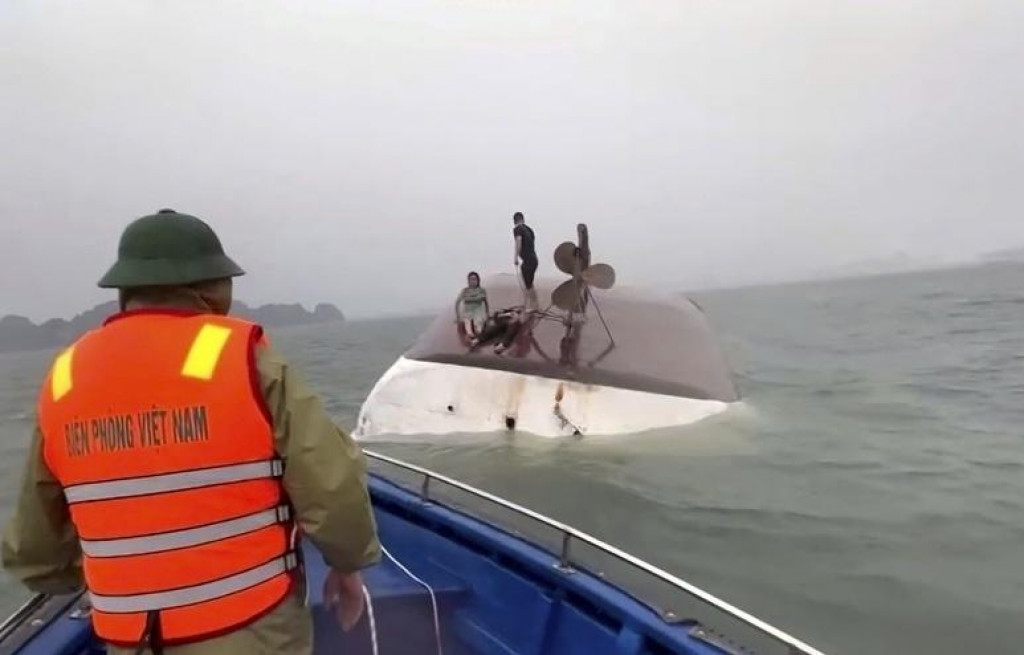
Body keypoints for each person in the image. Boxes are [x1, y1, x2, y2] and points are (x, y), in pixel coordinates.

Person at [1, 209, 380, 655]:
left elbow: (34, 540)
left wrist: (88, 578)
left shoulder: (65, 375)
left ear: (126, 290)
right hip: (249, 626)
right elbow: (330, 484)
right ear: (210, 288)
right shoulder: (245, 356)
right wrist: (348, 564)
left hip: (128, 636)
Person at [512, 211, 539, 309]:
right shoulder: (529, 229)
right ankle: (535, 304)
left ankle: (530, 305)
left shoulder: (517, 229)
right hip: (534, 259)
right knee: (529, 283)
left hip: (528, 260)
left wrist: (515, 257)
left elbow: (518, 242)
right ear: (523, 219)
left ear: (514, 221)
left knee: (527, 284)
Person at [454, 271, 489, 336]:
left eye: (475, 279)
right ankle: (470, 336)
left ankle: (477, 336)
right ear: (468, 280)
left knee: (478, 329)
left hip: (478, 312)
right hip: (467, 313)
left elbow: (485, 302)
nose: (473, 281)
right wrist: (458, 316)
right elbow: (457, 302)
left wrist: (487, 314)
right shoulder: (465, 291)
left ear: (478, 280)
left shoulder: (481, 290)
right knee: (468, 329)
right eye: (471, 279)